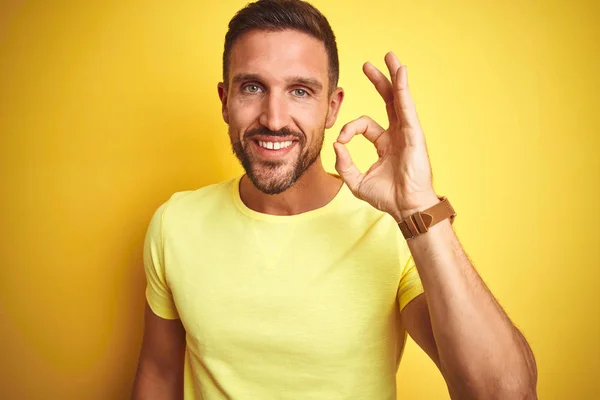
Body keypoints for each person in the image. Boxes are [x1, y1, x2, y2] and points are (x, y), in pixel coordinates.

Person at [132, 0, 538, 399]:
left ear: (332, 107)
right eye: (252, 87)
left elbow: (504, 393)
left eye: (300, 91)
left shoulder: (396, 229)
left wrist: (418, 205)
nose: (274, 118)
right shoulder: (175, 223)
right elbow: (159, 373)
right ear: (224, 100)